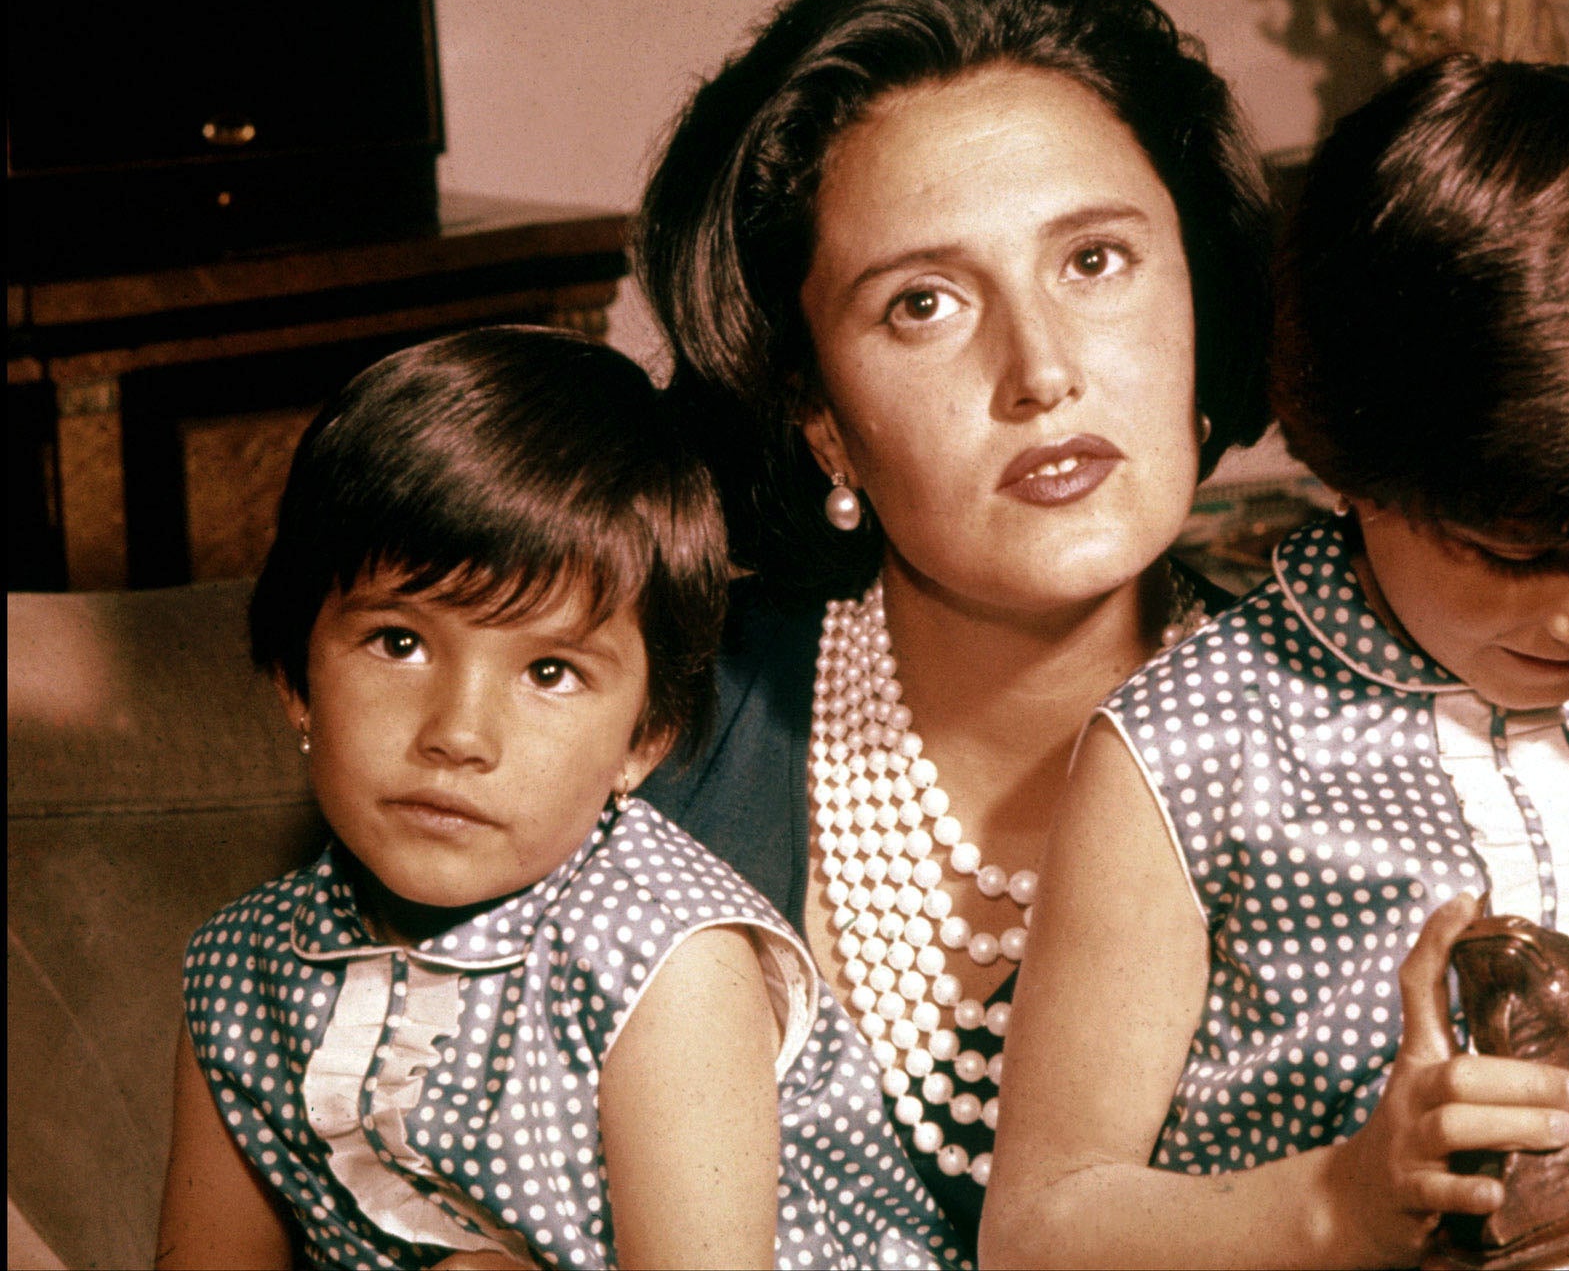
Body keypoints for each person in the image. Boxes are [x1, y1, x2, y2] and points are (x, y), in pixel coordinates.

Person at [985, 56, 1569, 1269]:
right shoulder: (1188, 748)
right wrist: (1344, 1203)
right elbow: (1037, 1233)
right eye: (1520, 553)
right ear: (1351, 467)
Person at [633, 0, 1273, 1243]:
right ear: (819, 418)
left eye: (1094, 262)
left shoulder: (1366, 735)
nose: (1039, 371)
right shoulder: (650, 754)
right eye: (922, 303)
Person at [155, 328, 968, 1270]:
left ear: (643, 741)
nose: (458, 734)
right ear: (297, 679)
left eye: (548, 669)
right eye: (398, 643)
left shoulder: (666, 964)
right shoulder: (237, 969)